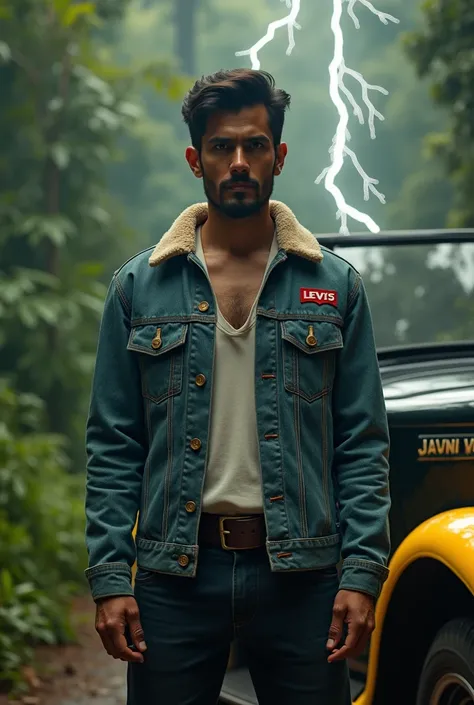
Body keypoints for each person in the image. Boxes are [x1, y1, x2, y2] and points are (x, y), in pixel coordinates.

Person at [84, 68, 391, 705]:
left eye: (255, 145)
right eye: (222, 147)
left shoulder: (335, 288)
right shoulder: (139, 290)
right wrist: (113, 578)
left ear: (279, 155)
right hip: (175, 576)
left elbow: (362, 444)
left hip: (303, 576)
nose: (240, 162)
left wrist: (361, 574)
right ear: (197, 158)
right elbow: (114, 445)